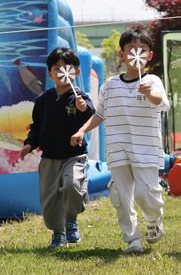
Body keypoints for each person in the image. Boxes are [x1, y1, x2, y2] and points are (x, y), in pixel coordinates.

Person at [71, 28, 169, 254]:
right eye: (131, 49)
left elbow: (160, 103)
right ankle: (132, 239)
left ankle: (154, 220)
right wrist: (81, 131)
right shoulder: (110, 85)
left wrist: (148, 93)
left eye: (142, 50)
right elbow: (100, 114)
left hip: (146, 149)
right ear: (122, 55)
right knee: (121, 198)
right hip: (117, 150)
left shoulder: (152, 81)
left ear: (149, 55)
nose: (137, 53)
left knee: (147, 195)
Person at [20, 47, 95, 248]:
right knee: (50, 199)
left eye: (67, 68)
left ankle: (71, 220)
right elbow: (36, 127)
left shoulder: (80, 97)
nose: (62, 72)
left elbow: (90, 116)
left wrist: (83, 108)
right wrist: (29, 144)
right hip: (49, 158)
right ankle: (58, 232)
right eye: (57, 68)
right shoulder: (43, 100)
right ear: (50, 73)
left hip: (74, 155)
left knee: (72, 185)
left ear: (76, 72)